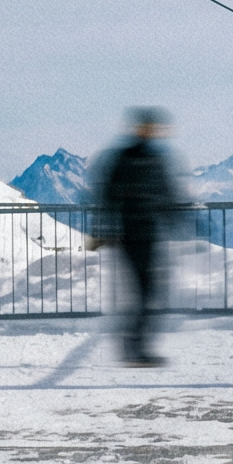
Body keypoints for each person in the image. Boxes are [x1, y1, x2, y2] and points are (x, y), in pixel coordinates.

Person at [93, 108, 182, 367]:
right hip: (132, 233)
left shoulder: (148, 159)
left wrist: (173, 216)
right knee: (144, 292)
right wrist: (105, 228)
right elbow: (109, 194)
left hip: (148, 233)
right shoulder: (133, 159)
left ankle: (134, 346)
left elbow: (165, 193)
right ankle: (135, 348)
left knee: (147, 293)